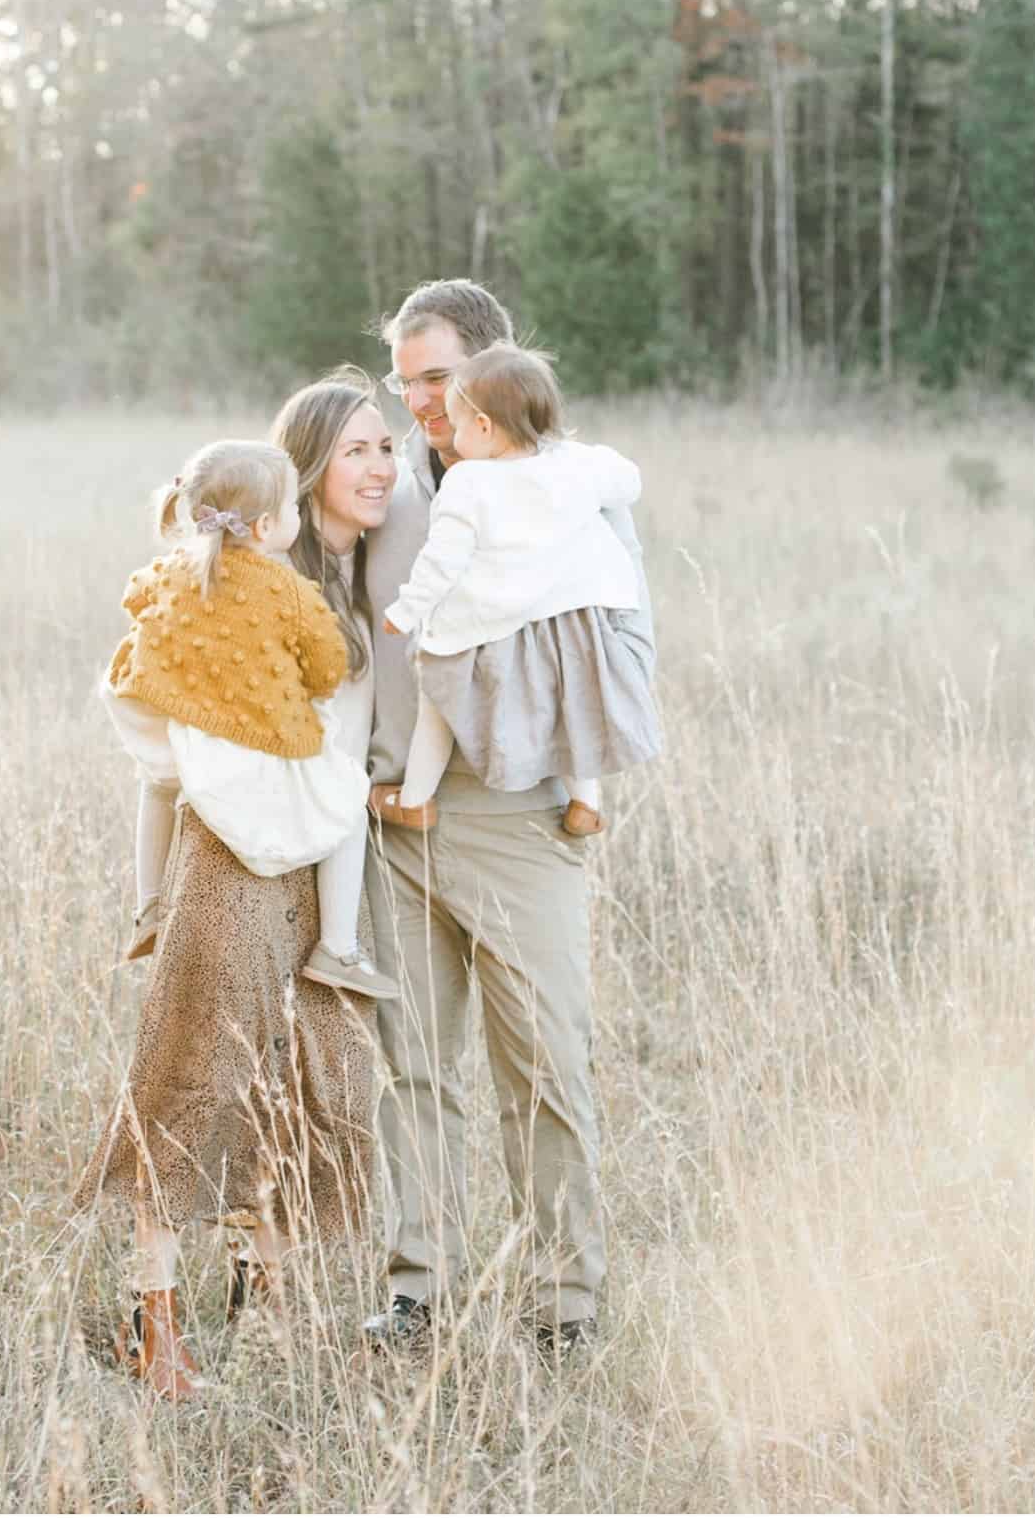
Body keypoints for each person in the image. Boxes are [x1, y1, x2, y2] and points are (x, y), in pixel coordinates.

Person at [74, 375, 397, 1400]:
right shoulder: (270, 587)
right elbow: (167, 760)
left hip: (298, 870)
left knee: (305, 1088)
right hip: (236, 866)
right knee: (192, 1080)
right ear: (286, 499)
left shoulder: (273, 581)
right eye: (355, 451)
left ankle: (264, 1308)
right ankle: (152, 1321)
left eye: (385, 449)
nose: (379, 467)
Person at [361, 281, 660, 1360]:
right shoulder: (383, 487)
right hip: (391, 820)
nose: (422, 404)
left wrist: (579, 779)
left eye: (438, 378)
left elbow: (621, 648)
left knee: (542, 1063)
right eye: (407, 384)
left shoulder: (568, 486)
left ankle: (565, 1305)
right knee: (411, 1069)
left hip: (520, 818)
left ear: (494, 366)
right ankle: (414, 1293)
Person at [102, 435, 396, 1000]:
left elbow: (134, 598)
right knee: (346, 803)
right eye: (291, 508)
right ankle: (338, 948)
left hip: (181, 736)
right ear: (264, 527)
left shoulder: (172, 571)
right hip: (254, 742)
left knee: (156, 787)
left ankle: (149, 908)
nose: (295, 516)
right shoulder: (284, 587)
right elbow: (327, 663)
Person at [375, 342, 657, 840]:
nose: (455, 437)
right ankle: (585, 804)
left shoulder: (469, 483)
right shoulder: (576, 463)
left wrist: (406, 610)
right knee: (574, 710)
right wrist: (587, 458)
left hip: (487, 628)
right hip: (569, 626)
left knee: (436, 704)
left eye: (459, 425)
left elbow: (441, 560)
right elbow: (628, 481)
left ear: (483, 426)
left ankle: (416, 799)